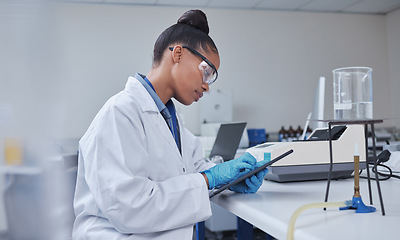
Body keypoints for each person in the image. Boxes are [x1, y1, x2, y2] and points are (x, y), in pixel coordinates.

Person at [72, 9, 269, 240]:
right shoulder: (119, 113)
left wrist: (228, 180)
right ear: (178, 54)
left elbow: (193, 171)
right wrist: (210, 178)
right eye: (207, 72)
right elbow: (129, 207)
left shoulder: (169, 118)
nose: (207, 86)